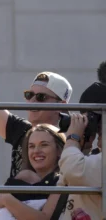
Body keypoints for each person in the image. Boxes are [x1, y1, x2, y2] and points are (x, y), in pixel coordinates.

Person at [0, 18, 73, 177]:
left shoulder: (72, 138)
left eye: (41, 97)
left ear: (60, 105)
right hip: (16, 201)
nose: (32, 101)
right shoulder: (22, 130)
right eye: (29, 95)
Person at [0, 124, 66, 220]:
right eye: (31, 146)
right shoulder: (21, 178)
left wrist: (6, 198)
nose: (36, 151)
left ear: (59, 150)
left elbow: (44, 219)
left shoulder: (61, 181)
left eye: (44, 145)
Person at [57, 80, 106, 219]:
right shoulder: (96, 157)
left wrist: (73, 138)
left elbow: (73, 171)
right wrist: (82, 149)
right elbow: (65, 182)